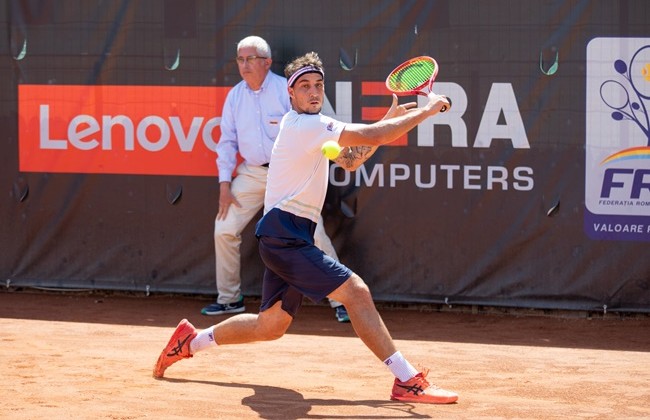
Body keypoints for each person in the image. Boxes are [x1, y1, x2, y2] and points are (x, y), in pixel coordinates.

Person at [154, 51, 457, 404]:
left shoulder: (310, 127)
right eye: (305, 86)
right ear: (291, 94)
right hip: (285, 236)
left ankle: (189, 342)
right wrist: (428, 109)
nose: (313, 92)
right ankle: (407, 380)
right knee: (356, 293)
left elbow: (351, 159)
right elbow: (375, 135)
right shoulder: (304, 125)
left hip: (287, 235)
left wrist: (389, 119)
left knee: (270, 326)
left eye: (318, 85)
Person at [203, 35, 350, 323]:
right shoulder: (235, 96)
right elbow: (227, 142)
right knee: (224, 229)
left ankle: (341, 299)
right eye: (240, 60)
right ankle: (229, 299)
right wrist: (224, 183)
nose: (244, 65)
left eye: (250, 59)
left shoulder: (289, 91)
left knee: (315, 234)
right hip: (252, 173)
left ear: (267, 62)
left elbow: (318, 128)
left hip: (289, 174)